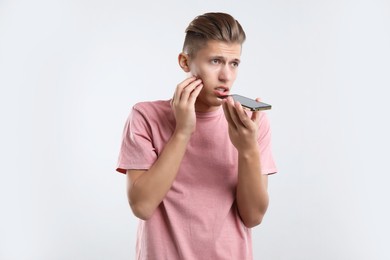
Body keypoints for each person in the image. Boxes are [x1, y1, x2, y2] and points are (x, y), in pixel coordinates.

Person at [116, 12, 277, 260]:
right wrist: (182, 131)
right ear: (184, 62)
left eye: (234, 63)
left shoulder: (251, 123)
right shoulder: (146, 116)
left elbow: (253, 216)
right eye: (215, 61)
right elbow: (142, 206)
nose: (226, 76)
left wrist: (247, 150)